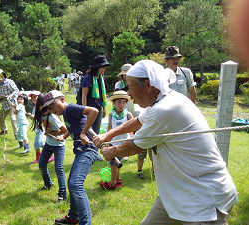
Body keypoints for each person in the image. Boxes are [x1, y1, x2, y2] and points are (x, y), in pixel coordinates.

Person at [93, 60, 238, 224]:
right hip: (179, 191)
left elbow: (134, 146)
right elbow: (139, 121)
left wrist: (112, 151)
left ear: (147, 85)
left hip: (203, 197)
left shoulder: (165, 109)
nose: (129, 94)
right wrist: (109, 134)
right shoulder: (163, 101)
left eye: (131, 88)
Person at [41, 90, 99, 225]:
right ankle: (73, 217)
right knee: (71, 183)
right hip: (81, 150)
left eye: (52, 105)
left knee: (75, 184)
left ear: (62, 99)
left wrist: (84, 133)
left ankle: (85, 222)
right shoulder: (66, 114)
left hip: (87, 149)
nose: (51, 110)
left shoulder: (70, 108)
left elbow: (94, 111)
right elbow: (72, 128)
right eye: (48, 108)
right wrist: (63, 136)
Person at [33, 93, 67, 202]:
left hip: (58, 146)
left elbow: (65, 131)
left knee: (59, 169)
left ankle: (62, 194)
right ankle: (48, 184)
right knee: (42, 164)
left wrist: (51, 132)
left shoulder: (52, 117)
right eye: (42, 105)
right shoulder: (41, 115)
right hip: (48, 144)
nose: (46, 108)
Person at [99, 91, 133, 190]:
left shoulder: (128, 115)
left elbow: (133, 128)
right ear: (113, 103)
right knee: (115, 162)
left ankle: (112, 183)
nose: (121, 105)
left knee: (113, 164)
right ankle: (117, 180)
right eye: (118, 102)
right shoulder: (111, 114)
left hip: (123, 143)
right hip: (113, 143)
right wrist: (106, 140)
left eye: (124, 102)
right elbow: (110, 128)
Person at [81, 55, 111, 135]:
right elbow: (84, 95)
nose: (105, 69)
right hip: (89, 109)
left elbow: (102, 95)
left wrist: (103, 108)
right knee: (88, 131)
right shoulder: (88, 78)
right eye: (103, 67)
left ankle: (94, 147)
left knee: (96, 132)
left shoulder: (102, 78)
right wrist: (85, 111)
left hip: (99, 109)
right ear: (98, 67)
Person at [0, 69, 19, 138]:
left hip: (13, 104)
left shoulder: (10, 82)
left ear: (3, 75)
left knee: (13, 118)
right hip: (5, 105)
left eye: (0, 75)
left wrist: (10, 96)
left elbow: (16, 90)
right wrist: (0, 96)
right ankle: (4, 130)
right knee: (0, 118)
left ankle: (18, 136)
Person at [26, 91, 46, 163]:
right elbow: (33, 118)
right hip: (37, 129)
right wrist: (30, 116)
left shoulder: (41, 107)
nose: (33, 98)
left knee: (41, 142)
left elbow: (42, 116)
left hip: (42, 128)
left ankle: (50, 156)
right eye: (32, 97)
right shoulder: (35, 107)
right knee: (36, 144)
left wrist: (33, 116)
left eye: (35, 96)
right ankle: (38, 158)